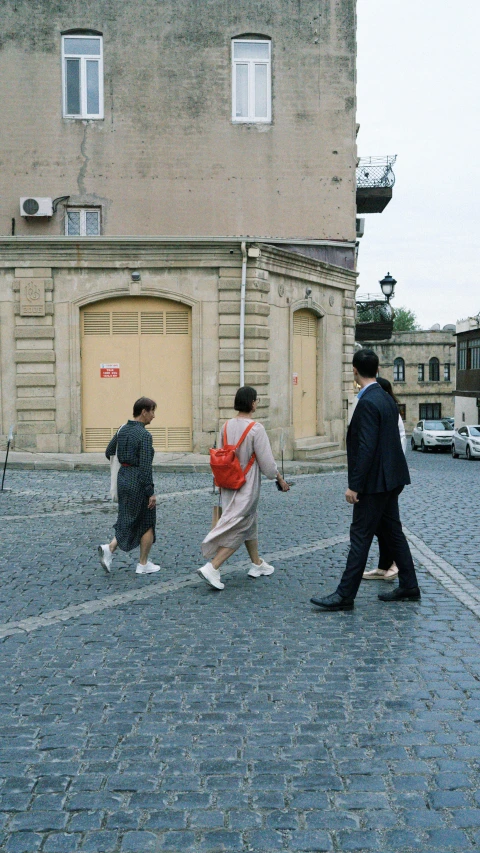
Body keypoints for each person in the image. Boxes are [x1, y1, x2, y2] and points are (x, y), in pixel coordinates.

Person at [310, 349, 420, 610]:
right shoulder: (385, 398)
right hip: (391, 481)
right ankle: (409, 585)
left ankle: (345, 595)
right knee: (394, 533)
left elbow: (367, 447)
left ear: (354, 371)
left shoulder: (369, 402)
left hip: (373, 484)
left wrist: (354, 485)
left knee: (360, 536)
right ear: (377, 369)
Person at [198, 386, 290, 590]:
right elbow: (267, 465)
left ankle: (256, 563)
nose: (257, 403)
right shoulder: (256, 428)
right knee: (240, 525)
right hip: (246, 486)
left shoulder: (226, 426)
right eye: (256, 400)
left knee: (248, 521)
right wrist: (279, 478)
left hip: (228, 483)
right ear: (252, 403)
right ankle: (213, 567)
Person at [98, 397, 159, 576]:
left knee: (129, 517)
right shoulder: (144, 435)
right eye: (152, 411)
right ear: (143, 412)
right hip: (138, 481)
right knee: (147, 522)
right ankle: (142, 564)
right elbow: (145, 466)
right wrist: (151, 492)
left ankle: (110, 550)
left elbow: (109, 452)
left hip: (122, 479)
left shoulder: (122, 430)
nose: (154, 416)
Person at [362, 375, 406, 582]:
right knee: (382, 525)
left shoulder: (388, 411)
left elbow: (400, 443)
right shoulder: (383, 408)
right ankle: (384, 565)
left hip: (387, 478)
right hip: (383, 477)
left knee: (389, 526)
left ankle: (397, 565)